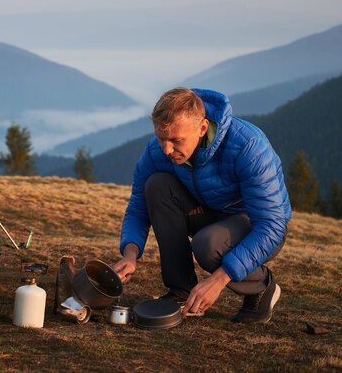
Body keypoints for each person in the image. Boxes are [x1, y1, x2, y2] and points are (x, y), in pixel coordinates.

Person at [113, 88, 292, 324]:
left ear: (202, 128)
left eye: (176, 141)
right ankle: (180, 290)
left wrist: (219, 279)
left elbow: (272, 225)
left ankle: (262, 287)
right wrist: (130, 254)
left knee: (208, 245)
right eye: (161, 138)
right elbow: (138, 205)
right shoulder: (159, 151)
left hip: (255, 225)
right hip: (210, 213)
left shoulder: (249, 146)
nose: (166, 149)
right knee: (156, 186)